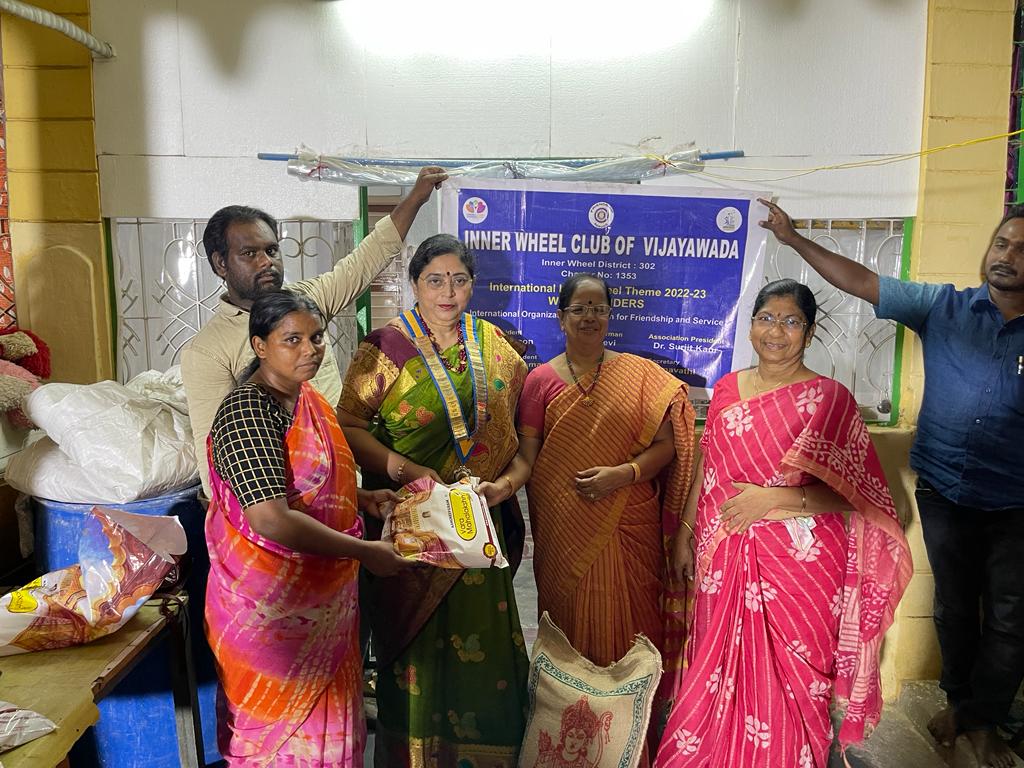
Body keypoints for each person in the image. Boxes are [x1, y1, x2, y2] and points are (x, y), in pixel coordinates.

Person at [759, 200, 1024, 768]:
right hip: (946, 490)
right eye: (1002, 243)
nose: (1007, 255)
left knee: (1010, 618)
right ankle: (958, 704)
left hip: (1018, 501)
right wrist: (793, 239)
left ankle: (985, 722)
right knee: (954, 607)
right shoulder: (944, 306)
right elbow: (861, 281)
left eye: (1022, 250)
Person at [654, 279, 911, 768]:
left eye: (791, 322)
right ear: (751, 326)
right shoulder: (727, 388)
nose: (776, 332)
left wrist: (772, 499)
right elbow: (709, 466)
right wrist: (686, 534)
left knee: (795, 673)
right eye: (766, 319)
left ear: (809, 333)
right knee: (716, 661)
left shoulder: (830, 399)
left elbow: (858, 496)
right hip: (721, 554)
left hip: (798, 565)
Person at [337, 234, 531, 766]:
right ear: (414, 284)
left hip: (476, 530)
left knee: (483, 648)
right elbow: (348, 426)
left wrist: (504, 485)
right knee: (415, 652)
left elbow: (517, 438)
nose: (448, 292)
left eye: (459, 280)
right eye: (435, 280)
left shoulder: (496, 347)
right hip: (415, 528)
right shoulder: (386, 348)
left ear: (473, 284)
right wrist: (405, 469)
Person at [204, 290, 414, 766]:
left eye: (317, 338)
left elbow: (306, 487)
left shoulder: (308, 399)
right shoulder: (247, 411)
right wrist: (363, 551)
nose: (310, 350)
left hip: (325, 609)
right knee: (277, 746)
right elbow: (269, 517)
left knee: (331, 737)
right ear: (260, 346)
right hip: (269, 615)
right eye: (292, 340)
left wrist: (361, 500)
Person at [510, 273, 695, 747]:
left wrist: (624, 474)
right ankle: (565, 746)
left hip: (630, 521)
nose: (590, 317)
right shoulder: (540, 382)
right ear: (561, 317)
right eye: (580, 308)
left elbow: (667, 446)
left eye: (599, 308)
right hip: (563, 527)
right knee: (568, 630)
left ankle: (630, 747)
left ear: (610, 316)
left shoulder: (638, 376)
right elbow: (528, 458)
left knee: (633, 630)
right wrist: (501, 486)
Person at [182, 166, 448, 495]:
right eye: (249, 254)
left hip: (345, 491)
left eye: (271, 250)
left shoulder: (306, 302)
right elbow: (216, 464)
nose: (266, 262)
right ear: (220, 263)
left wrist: (416, 198)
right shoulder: (207, 352)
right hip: (282, 506)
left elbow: (367, 259)